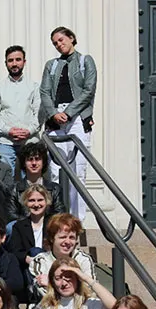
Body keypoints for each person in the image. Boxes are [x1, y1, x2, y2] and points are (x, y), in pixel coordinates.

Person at [40, 26, 97, 221]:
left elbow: (89, 90)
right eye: (55, 43)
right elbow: (45, 92)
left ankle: (76, 220)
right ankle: (59, 217)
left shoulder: (84, 61)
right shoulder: (51, 65)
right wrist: (54, 113)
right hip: (56, 119)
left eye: (61, 40)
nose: (59, 45)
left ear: (72, 38)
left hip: (78, 119)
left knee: (77, 172)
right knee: (55, 171)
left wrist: (69, 112)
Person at [0, 45, 41, 171]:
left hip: (30, 141)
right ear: (6, 63)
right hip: (5, 142)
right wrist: (8, 130)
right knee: (5, 179)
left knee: (30, 180)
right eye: (10, 60)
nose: (14, 63)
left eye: (18, 59)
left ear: (24, 62)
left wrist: (28, 130)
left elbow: (39, 113)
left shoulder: (34, 86)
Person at [29, 213, 96, 299]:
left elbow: (90, 291)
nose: (67, 242)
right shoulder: (40, 261)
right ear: (52, 239)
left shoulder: (84, 259)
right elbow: (45, 294)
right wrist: (77, 286)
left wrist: (50, 282)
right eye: (63, 237)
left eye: (72, 237)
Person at [7, 184, 57, 285]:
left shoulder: (54, 223)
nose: (36, 204)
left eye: (40, 200)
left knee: (36, 251)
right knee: (34, 252)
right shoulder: (19, 226)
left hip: (51, 264)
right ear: (26, 203)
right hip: (29, 266)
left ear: (46, 202)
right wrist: (31, 260)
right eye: (32, 200)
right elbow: (15, 251)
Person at [14, 142, 66, 216]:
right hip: (22, 227)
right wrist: (31, 224)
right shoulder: (14, 190)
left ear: (43, 162)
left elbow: (59, 214)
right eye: (30, 159)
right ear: (24, 163)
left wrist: (41, 224)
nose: (34, 163)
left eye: (37, 159)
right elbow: (11, 216)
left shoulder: (55, 188)